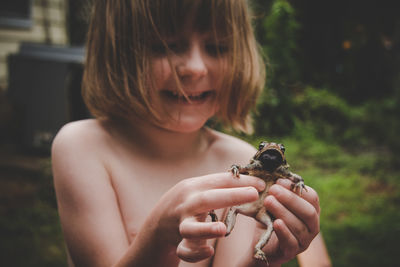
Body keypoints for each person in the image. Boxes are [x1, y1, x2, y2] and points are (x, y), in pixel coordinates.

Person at [51, 0, 331, 266]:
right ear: (115, 53)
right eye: (167, 46)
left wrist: (265, 259)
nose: (196, 68)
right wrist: (159, 239)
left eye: (217, 47)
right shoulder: (82, 147)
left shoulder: (240, 162)